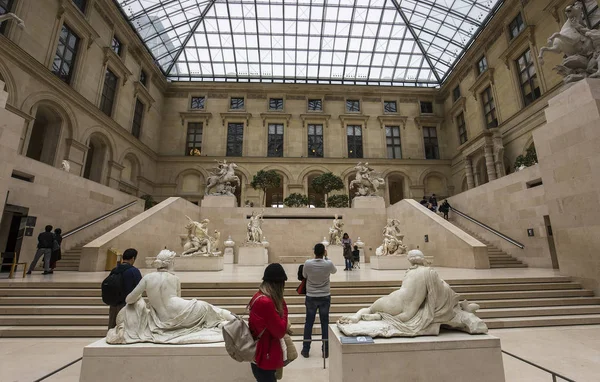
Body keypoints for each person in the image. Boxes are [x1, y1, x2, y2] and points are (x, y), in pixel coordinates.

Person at [107, 249, 234, 344]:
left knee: (207, 310)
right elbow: (178, 297)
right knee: (207, 308)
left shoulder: (148, 278)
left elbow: (129, 299)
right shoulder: (174, 279)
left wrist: (140, 300)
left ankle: (224, 322)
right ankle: (231, 319)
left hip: (162, 320)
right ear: (170, 263)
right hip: (184, 312)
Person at [249, 263, 289, 382]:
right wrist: (284, 308)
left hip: (260, 353)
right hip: (266, 356)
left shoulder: (258, 296)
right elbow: (280, 331)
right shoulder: (266, 303)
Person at [302, 243, 337, 358]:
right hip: (325, 296)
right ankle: (326, 351)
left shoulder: (307, 263)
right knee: (325, 323)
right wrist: (326, 257)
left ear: (314, 252)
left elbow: (304, 275)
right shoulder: (328, 264)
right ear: (324, 252)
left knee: (309, 323)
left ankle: (306, 350)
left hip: (311, 296)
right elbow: (334, 271)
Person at [107, 248, 142, 330]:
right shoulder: (134, 271)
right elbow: (139, 288)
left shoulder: (114, 270)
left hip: (114, 303)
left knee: (112, 327)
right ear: (133, 258)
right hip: (127, 305)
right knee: (126, 328)